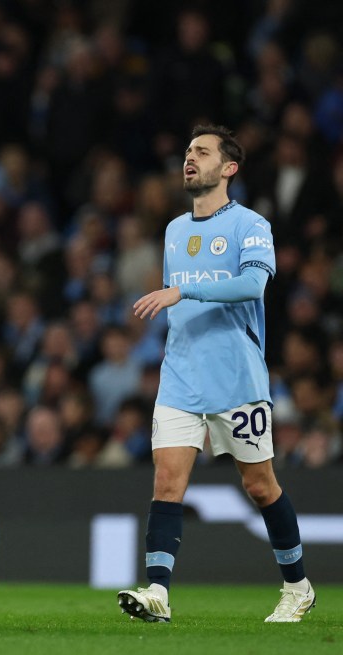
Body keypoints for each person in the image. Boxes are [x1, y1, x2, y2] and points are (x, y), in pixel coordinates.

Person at [118, 124, 315, 623]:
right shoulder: (174, 230)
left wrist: (184, 291)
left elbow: (251, 285)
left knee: (260, 485)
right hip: (181, 377)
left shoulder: (251, 225)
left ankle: (298, 587)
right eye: (187, 151)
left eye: (202, 152)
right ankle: (158, 593)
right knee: (167, 482)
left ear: (228, 168)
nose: (190, 158)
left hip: (237, 378)